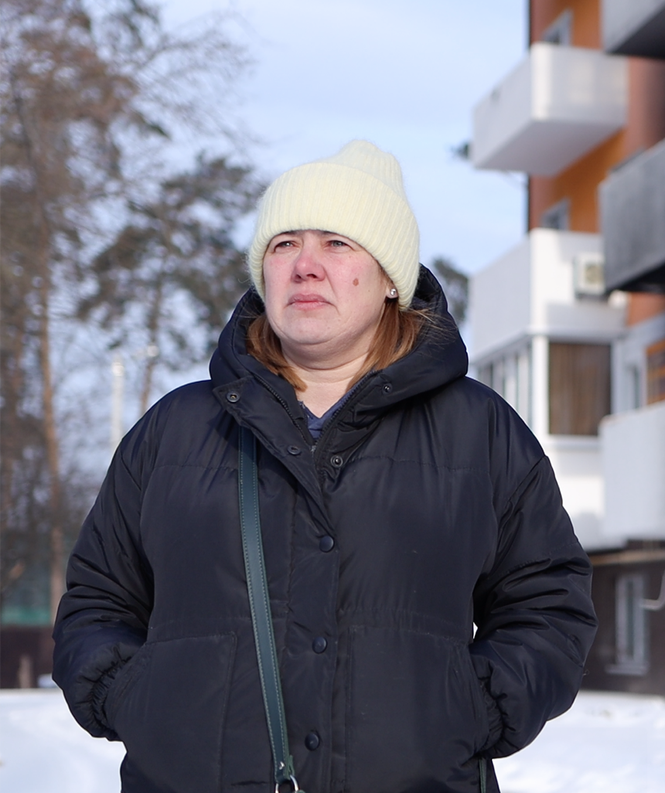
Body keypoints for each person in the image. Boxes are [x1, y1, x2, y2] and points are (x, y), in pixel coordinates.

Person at [52, 140, 597, 793]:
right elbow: (96, 601)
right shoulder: (173, 433)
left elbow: (548, 606)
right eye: (283, 245)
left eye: (337, 243)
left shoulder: (480, 433)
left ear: (392, 277)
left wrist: (470, 708)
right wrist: (135, 698)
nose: (305, 266)